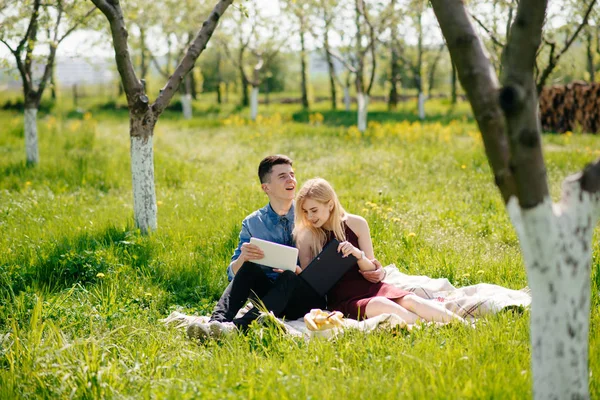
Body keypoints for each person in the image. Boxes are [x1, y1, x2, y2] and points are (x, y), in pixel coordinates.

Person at [187, 156, 386, 341]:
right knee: (249, 269)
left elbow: (325, 256)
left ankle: (239, 327)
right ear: (266, 188)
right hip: (267, 293)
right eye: (283, 176)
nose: (291, 180)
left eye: (292, 174)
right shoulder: (253, 223)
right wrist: (243, 259)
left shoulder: (308, 216)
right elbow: (234, 276)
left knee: (289, 276)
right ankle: (216, 323)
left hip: (300, 295)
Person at [293, 177, 466, 325]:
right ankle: (431, 328)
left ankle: (465, 326)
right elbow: (310, 285)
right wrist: (296, 271)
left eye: (314, 210)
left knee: (412, 300)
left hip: (371, 286)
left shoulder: (357, 223)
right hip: (342, 298)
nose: (309, 217)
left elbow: (372, 272)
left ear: (330, 204)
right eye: (305, 212)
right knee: (383, 305)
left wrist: (356, 254)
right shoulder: (307, 235)